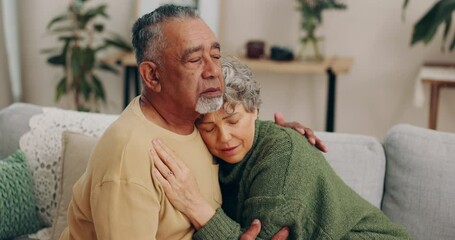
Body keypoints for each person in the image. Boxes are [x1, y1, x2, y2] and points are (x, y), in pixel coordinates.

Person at [60, 5, 322, 240]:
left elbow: (235, 129)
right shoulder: (129, 157)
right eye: (195, 60)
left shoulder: (196, 121)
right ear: (152, 75)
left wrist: (276, 136)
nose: (212, 71)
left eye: (216, 56)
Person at [150, 56, 411, 239]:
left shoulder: (280, 161)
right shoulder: (206, 152)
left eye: (233, 120)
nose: (224, 137)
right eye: (208, 128)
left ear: (255, 111)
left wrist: (196, 206)